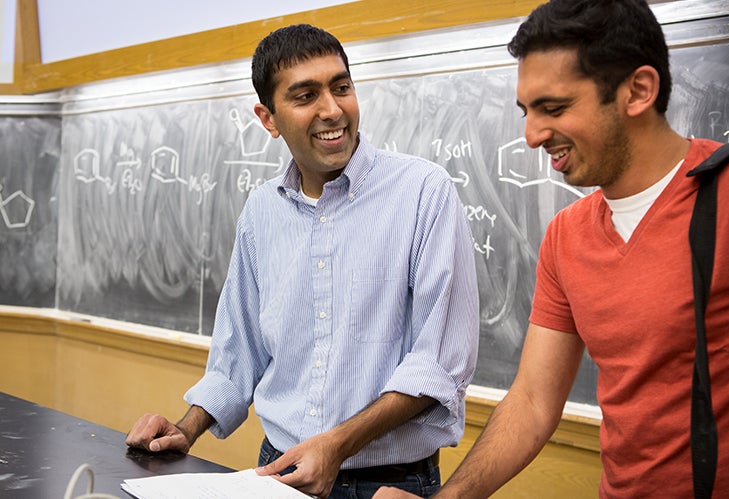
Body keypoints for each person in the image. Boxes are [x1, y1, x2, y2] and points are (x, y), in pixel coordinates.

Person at [375, 0, 729, 498]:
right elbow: (532, 400)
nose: (532, 136)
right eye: (527, 111)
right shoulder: (566, 235)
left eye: (553, 108)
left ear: (638, 91)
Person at [125, 24, 479, 499]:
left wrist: (335, 445)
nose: (332, 110)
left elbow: (438, 364)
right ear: (268, 119)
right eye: (305, 95)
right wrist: (186, 429)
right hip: (280, 474)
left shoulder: (424, 193)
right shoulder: (261, 211)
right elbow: (239, 352)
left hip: (390, 484)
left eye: (341, 87)